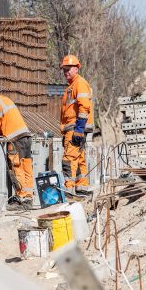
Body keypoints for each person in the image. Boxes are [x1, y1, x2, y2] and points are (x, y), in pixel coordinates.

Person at [59, 55, 93, 191]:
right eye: (64, 70)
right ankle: (81, 187)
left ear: (76, 69)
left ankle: (68, 189)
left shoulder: (79, 84)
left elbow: (84, 106)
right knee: (79, 159)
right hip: (73, 128)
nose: (66, 72)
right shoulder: (71, 86)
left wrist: (79, 128)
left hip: (76, 127)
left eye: (69, 69)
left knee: (68, 159)